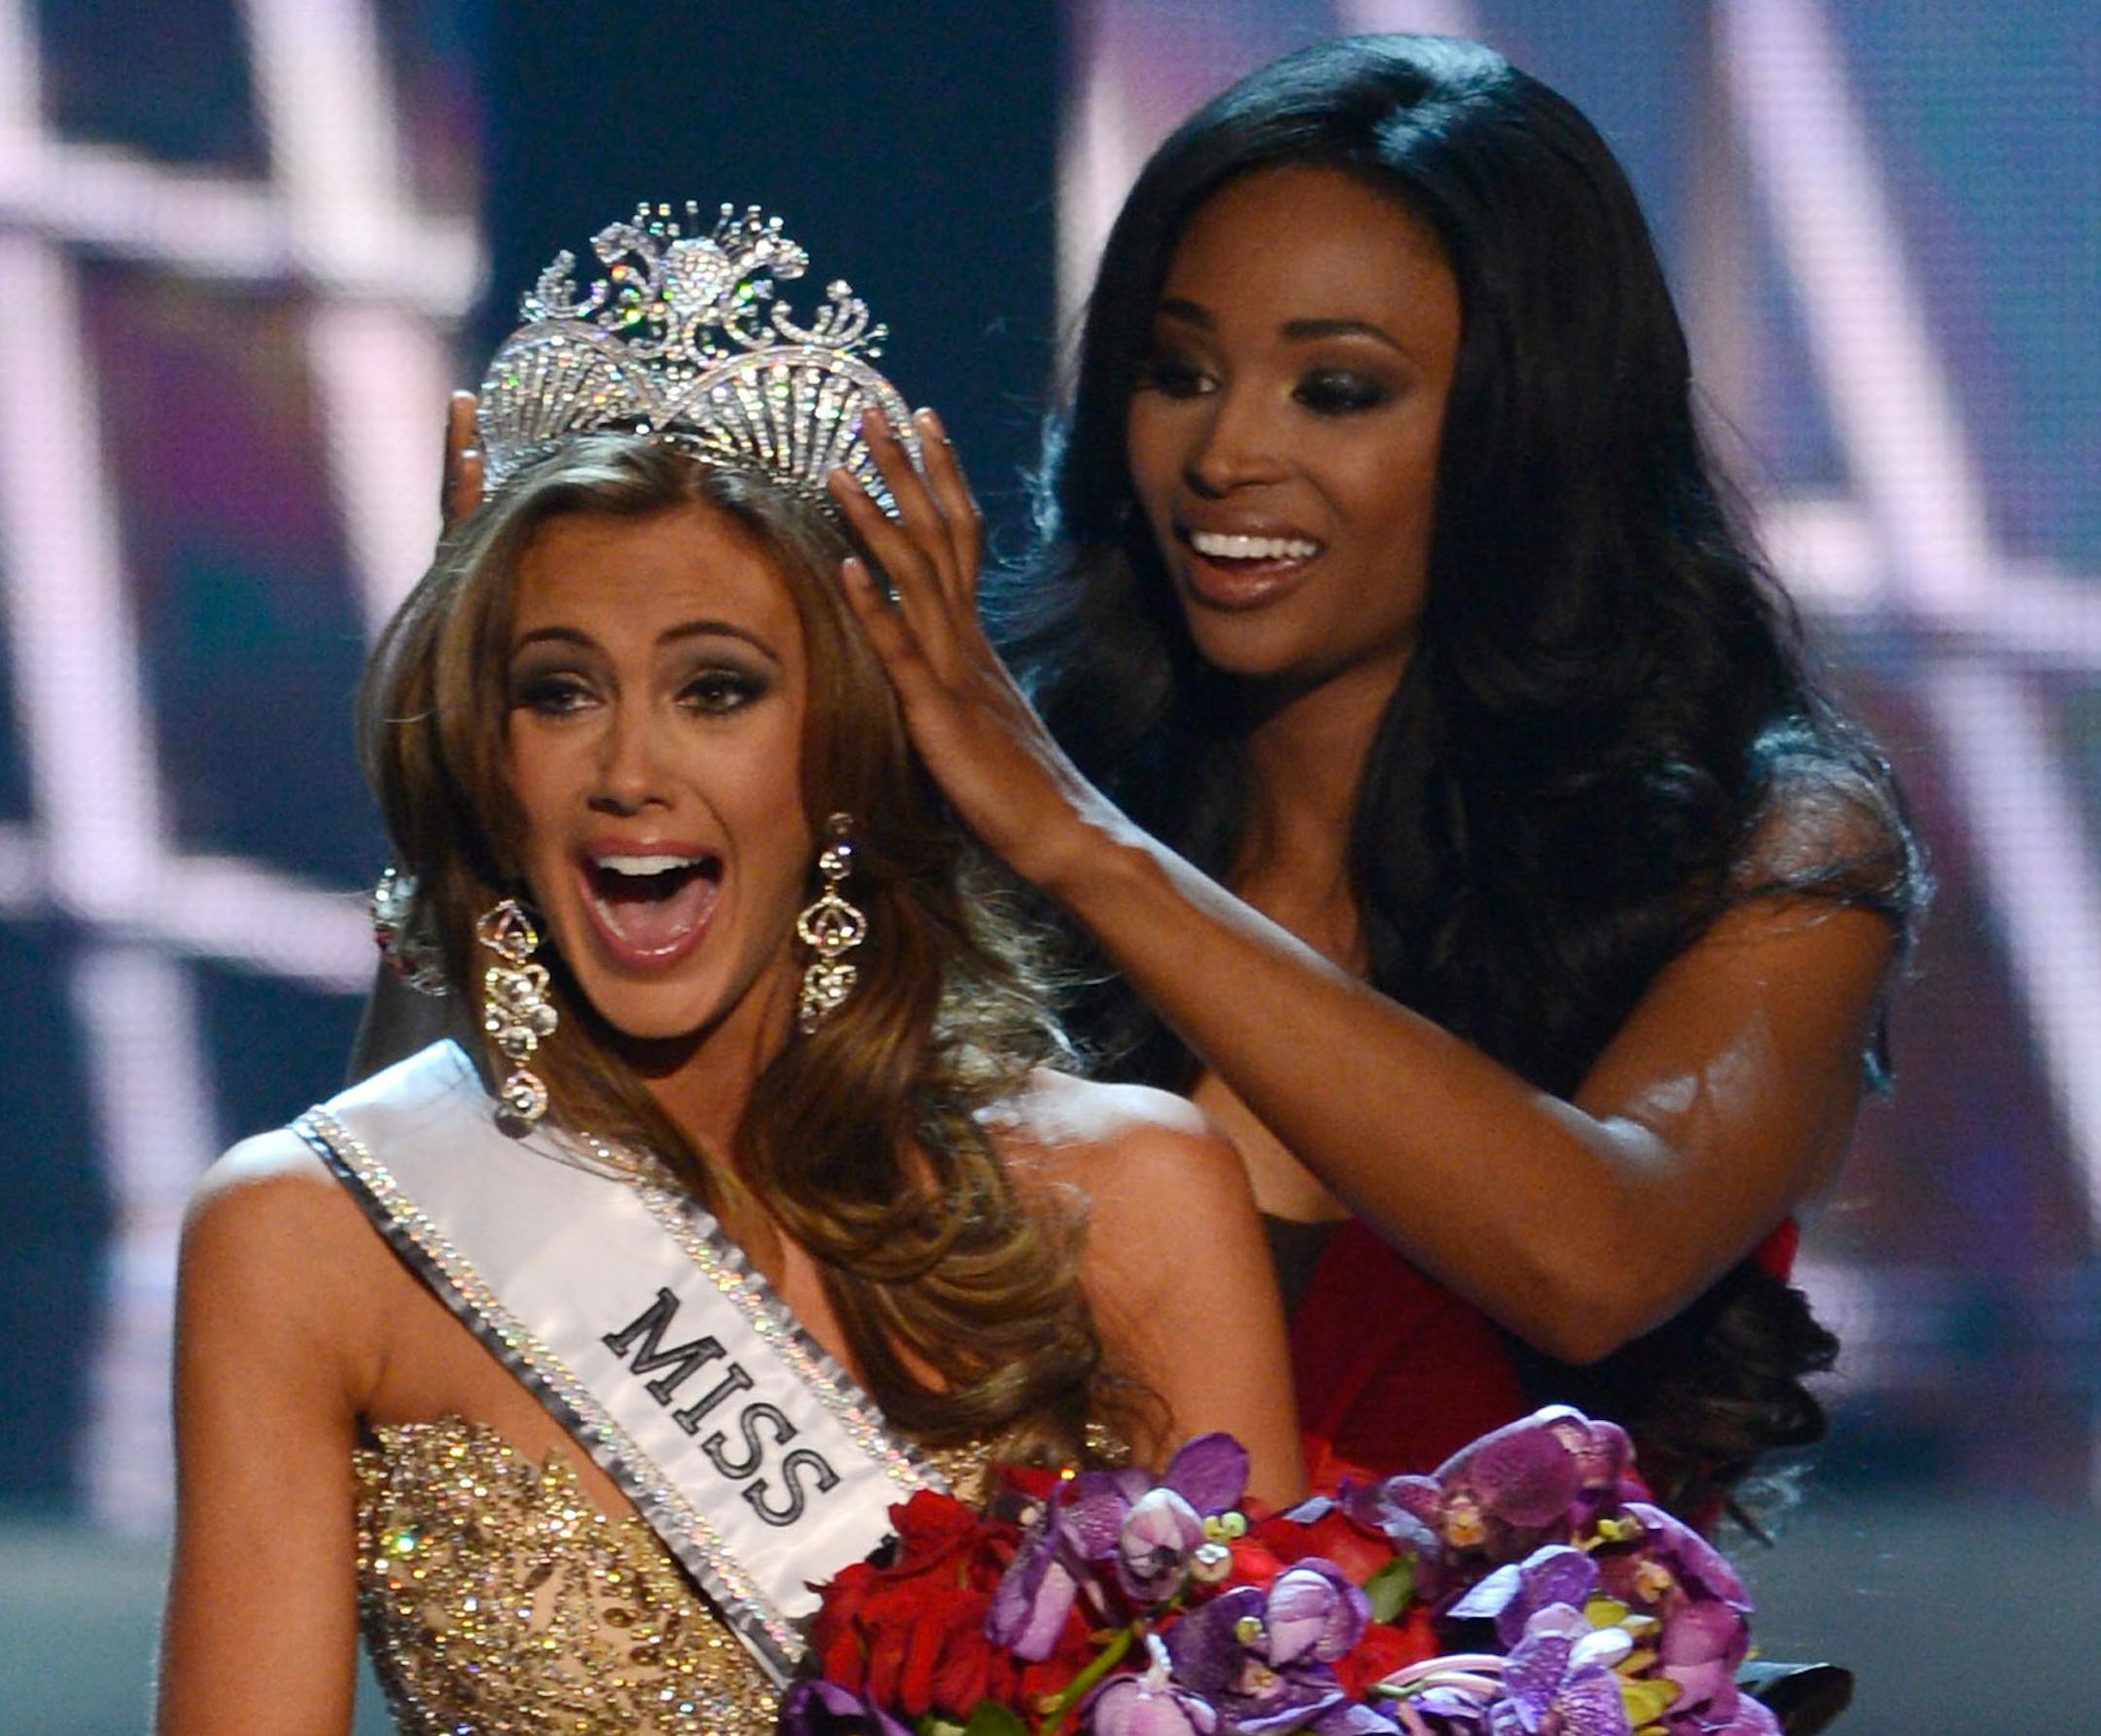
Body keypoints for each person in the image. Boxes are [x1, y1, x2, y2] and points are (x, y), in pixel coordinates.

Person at [157, 204, 1300, 1736]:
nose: (630, 768)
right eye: (557, 692)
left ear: (838, 752)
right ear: (492, 760)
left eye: (718, 688)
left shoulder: (1136, 1199)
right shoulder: (309, 1237)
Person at [822, 35, 1922, 1520]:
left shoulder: (1769, 850)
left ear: (1529, 425)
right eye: (1178, 370)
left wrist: (1087, 848)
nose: (1224, 451)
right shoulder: (988, 798)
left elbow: (1593, 1254)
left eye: (1336, 389)